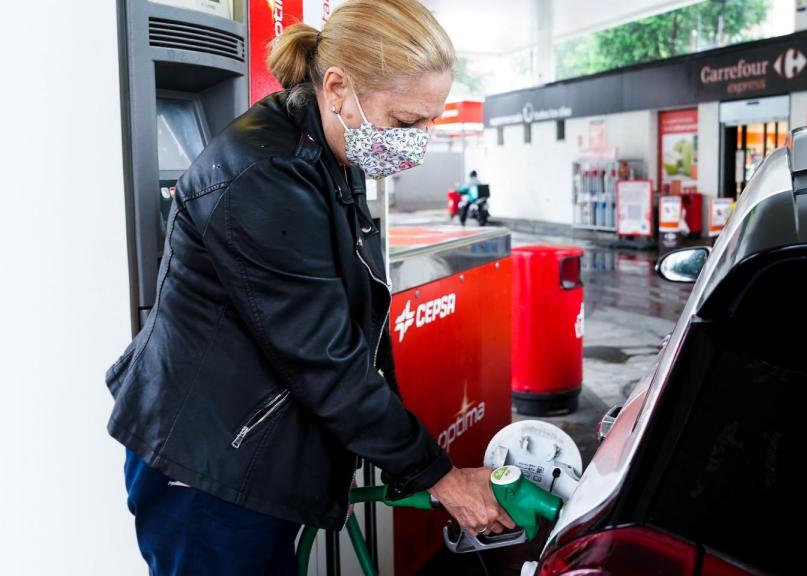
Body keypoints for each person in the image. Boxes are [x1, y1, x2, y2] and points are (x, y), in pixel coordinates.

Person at [104, 1, 513, 573]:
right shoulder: (263, 175)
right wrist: (439, 476)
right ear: (339, 87)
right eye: (406, 122)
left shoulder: (329, 151)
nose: (418, 143)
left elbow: (355, 323)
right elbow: (325, 357)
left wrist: (368, 460)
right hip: (206, 466)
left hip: (252, 444)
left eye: (430, 122)